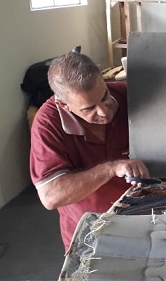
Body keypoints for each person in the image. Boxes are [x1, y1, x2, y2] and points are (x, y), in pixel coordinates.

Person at [29, 51, 152, 250]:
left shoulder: (126, 95)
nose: (103, 112)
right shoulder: (47, 124)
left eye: (104, 97)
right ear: (63, 105)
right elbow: (51, 196)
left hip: (145, 220)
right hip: (92, 234)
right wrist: (111, 168)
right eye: (88, 109)